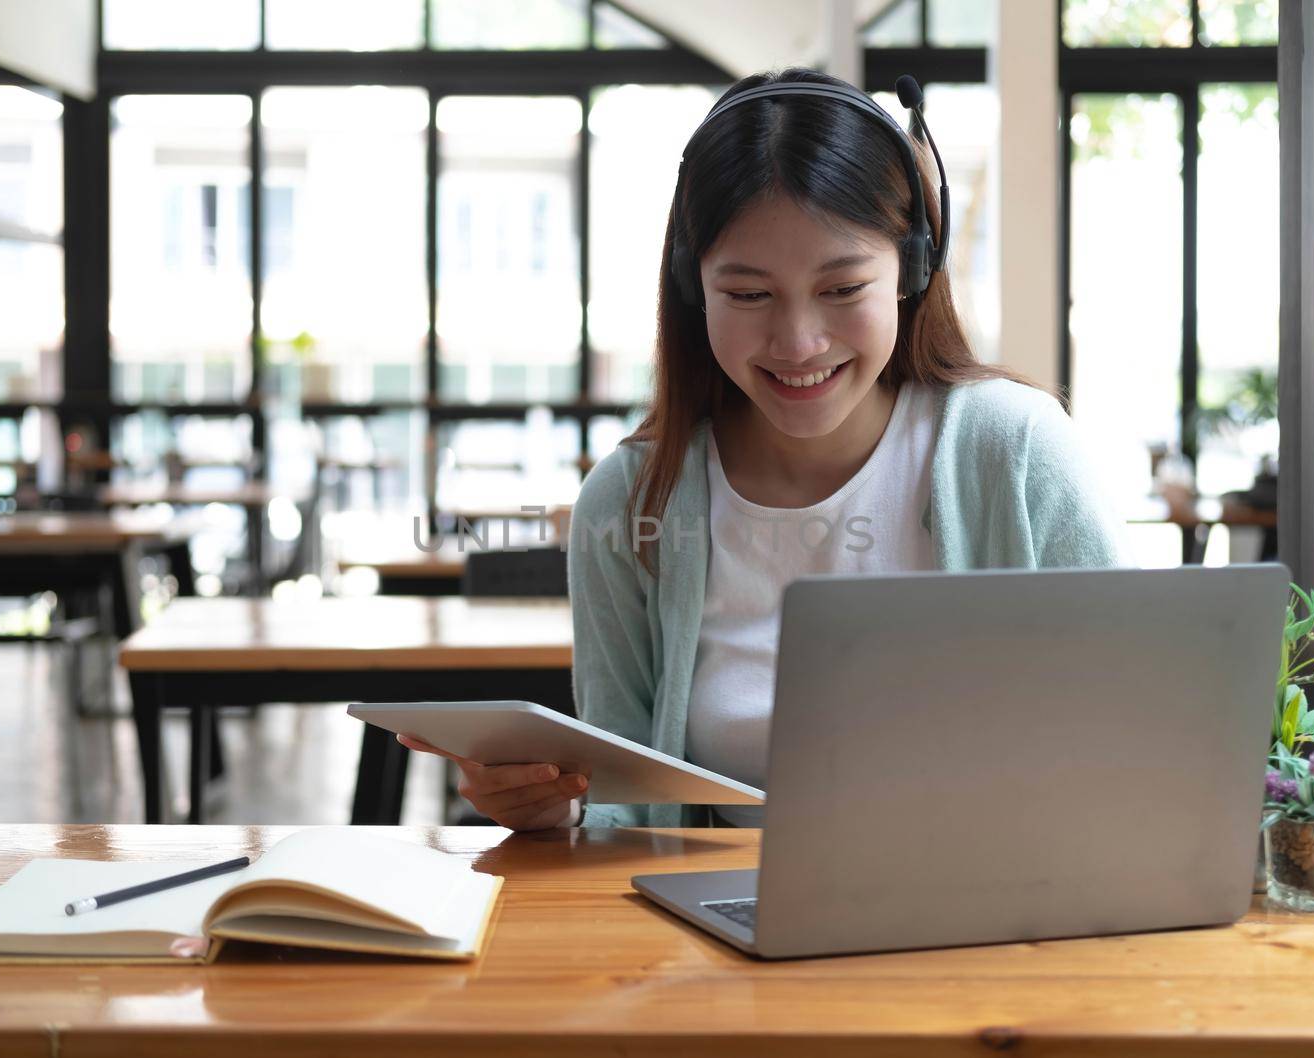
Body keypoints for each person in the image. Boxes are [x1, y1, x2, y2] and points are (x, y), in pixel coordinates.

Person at [398, 67, 1127, 832]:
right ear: (692, 286)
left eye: (843, 289)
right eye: (748, 295)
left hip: (996, 926)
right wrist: (555, 815)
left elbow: (1141, 727)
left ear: (913, 270)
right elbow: (623, 812)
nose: (797, 342)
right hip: (715, 930)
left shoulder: (1013, 451)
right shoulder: (629, 501)